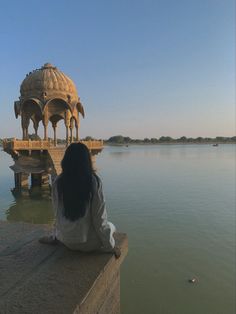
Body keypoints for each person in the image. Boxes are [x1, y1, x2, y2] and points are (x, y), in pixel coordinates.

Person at [39, 142, 120, 258]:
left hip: (66, 241)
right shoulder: (93, 182)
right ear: (87, 161)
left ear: (66, 160)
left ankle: (55, 238)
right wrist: (110, 246)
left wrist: (56, 236)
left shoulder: (58, 182)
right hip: (90, 244)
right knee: (112, 226)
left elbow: (57, 214)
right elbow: (100, 219)